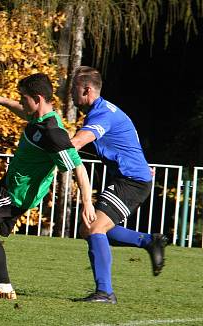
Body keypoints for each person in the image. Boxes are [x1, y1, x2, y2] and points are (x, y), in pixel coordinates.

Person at [0, 73, 95, 300]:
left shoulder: (53, 133)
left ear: (37, 98)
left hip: (15, 195)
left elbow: (78, 167)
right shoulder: (39, 120)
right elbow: (22, 111)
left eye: (23, 98)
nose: (21, 101)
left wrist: (86, 203)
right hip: (11, 188)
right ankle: (5, 289)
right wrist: (2, 101)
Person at [68, 66, 167, 304]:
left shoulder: (102, 115)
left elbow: (77, 142)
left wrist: (48, 149)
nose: (70, 94)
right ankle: (148, 241)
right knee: (89, 229)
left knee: (94, 229)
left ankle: (105, 292)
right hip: (131, 178)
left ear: (87, 89)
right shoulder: (103, 110)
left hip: (132, 181)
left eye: (73, 89)